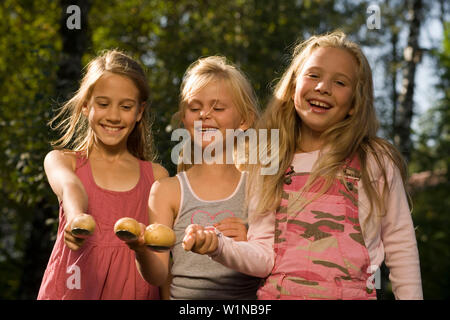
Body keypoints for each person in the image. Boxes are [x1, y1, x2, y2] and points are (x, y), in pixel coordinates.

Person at [183, 31, 423, 300]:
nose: (323, 87)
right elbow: (263, 257)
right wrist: (219, 246)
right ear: (294, 84)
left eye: (340, 82)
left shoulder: (375, 160)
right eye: (314, 75)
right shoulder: (269, 160)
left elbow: (401, 247)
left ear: (355, 103)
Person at [126, 56, 262, 299]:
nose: (204, 115)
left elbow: (277, 262)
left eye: (218, 108)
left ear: (244, 120)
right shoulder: (166, 191)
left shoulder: (259, 187)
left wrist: (250, 244)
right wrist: (140, 249)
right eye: (194, 107)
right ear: (184, 118)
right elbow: (158, 276)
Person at [37, 49, 168, 300]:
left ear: (140, 112)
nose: (114, 116)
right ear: (86, 105)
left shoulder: (157, 177)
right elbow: (70, 187)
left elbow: (160, 273)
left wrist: (140, 248)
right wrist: (76, 218)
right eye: (103, 103)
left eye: (126, 106)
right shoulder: (62, 161)